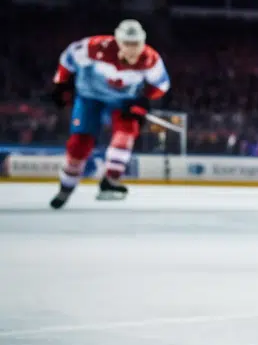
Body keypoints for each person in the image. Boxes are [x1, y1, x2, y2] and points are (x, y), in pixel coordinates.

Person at [49, 19, 170, 208]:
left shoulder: (150, 59)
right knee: (79, 146)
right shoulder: (94, 47)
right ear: (118, 41)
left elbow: (161, 86)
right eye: (128, 44)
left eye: (136, 44)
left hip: (122, 102)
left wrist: (143, 101)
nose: (132, 50)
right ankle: (66, 188)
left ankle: (111, 179)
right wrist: (61, 84)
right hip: (90, 98)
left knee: (127, 130)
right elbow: (68, 58)